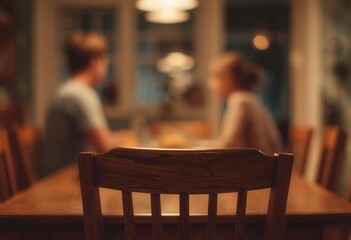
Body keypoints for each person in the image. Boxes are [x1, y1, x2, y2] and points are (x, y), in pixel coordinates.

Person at [42, 32, 134, 176]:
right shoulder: (79, 94)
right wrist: (130, 136)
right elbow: (105, 146)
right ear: (95, 61)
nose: (106, 66)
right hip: (61, 179)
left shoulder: (68, 90)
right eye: (105, 60)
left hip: (61, 174)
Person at [208, 52, 283, 153]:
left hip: (259, 166)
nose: (210, 83)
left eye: (214, 77)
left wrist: (199, 146)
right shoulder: (247, 98)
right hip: (264, 164)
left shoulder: (240, 100)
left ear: (228, 78)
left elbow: (229, 143)